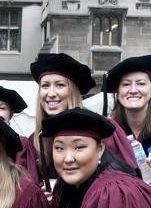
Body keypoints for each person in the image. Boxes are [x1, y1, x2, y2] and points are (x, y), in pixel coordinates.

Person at [29, 52, 136, 187]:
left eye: (60, 85)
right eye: (45, 86)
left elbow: (125, 183)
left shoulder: (102, 129)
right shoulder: (34, 141)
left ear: (73, 91)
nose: (51, 93)